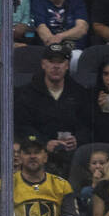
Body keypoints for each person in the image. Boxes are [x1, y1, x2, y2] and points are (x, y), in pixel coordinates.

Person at [13, 43, 91, 176]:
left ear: (67, 65)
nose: (56, 66)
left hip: (72, 156)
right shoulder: (26, 93)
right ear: (43, 64)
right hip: (38, 153)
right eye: (51, 61)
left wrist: (78, 139)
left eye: (60, 62)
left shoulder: (81, 93)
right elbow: (22, 127)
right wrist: (44, 143)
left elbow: (88, 125)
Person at [0, 136, 83, 216]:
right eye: (27, 153)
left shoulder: (62, 185)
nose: (33, 156)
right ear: (20, 157)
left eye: (37, 152)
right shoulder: (4, 184)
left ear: (45, 157)